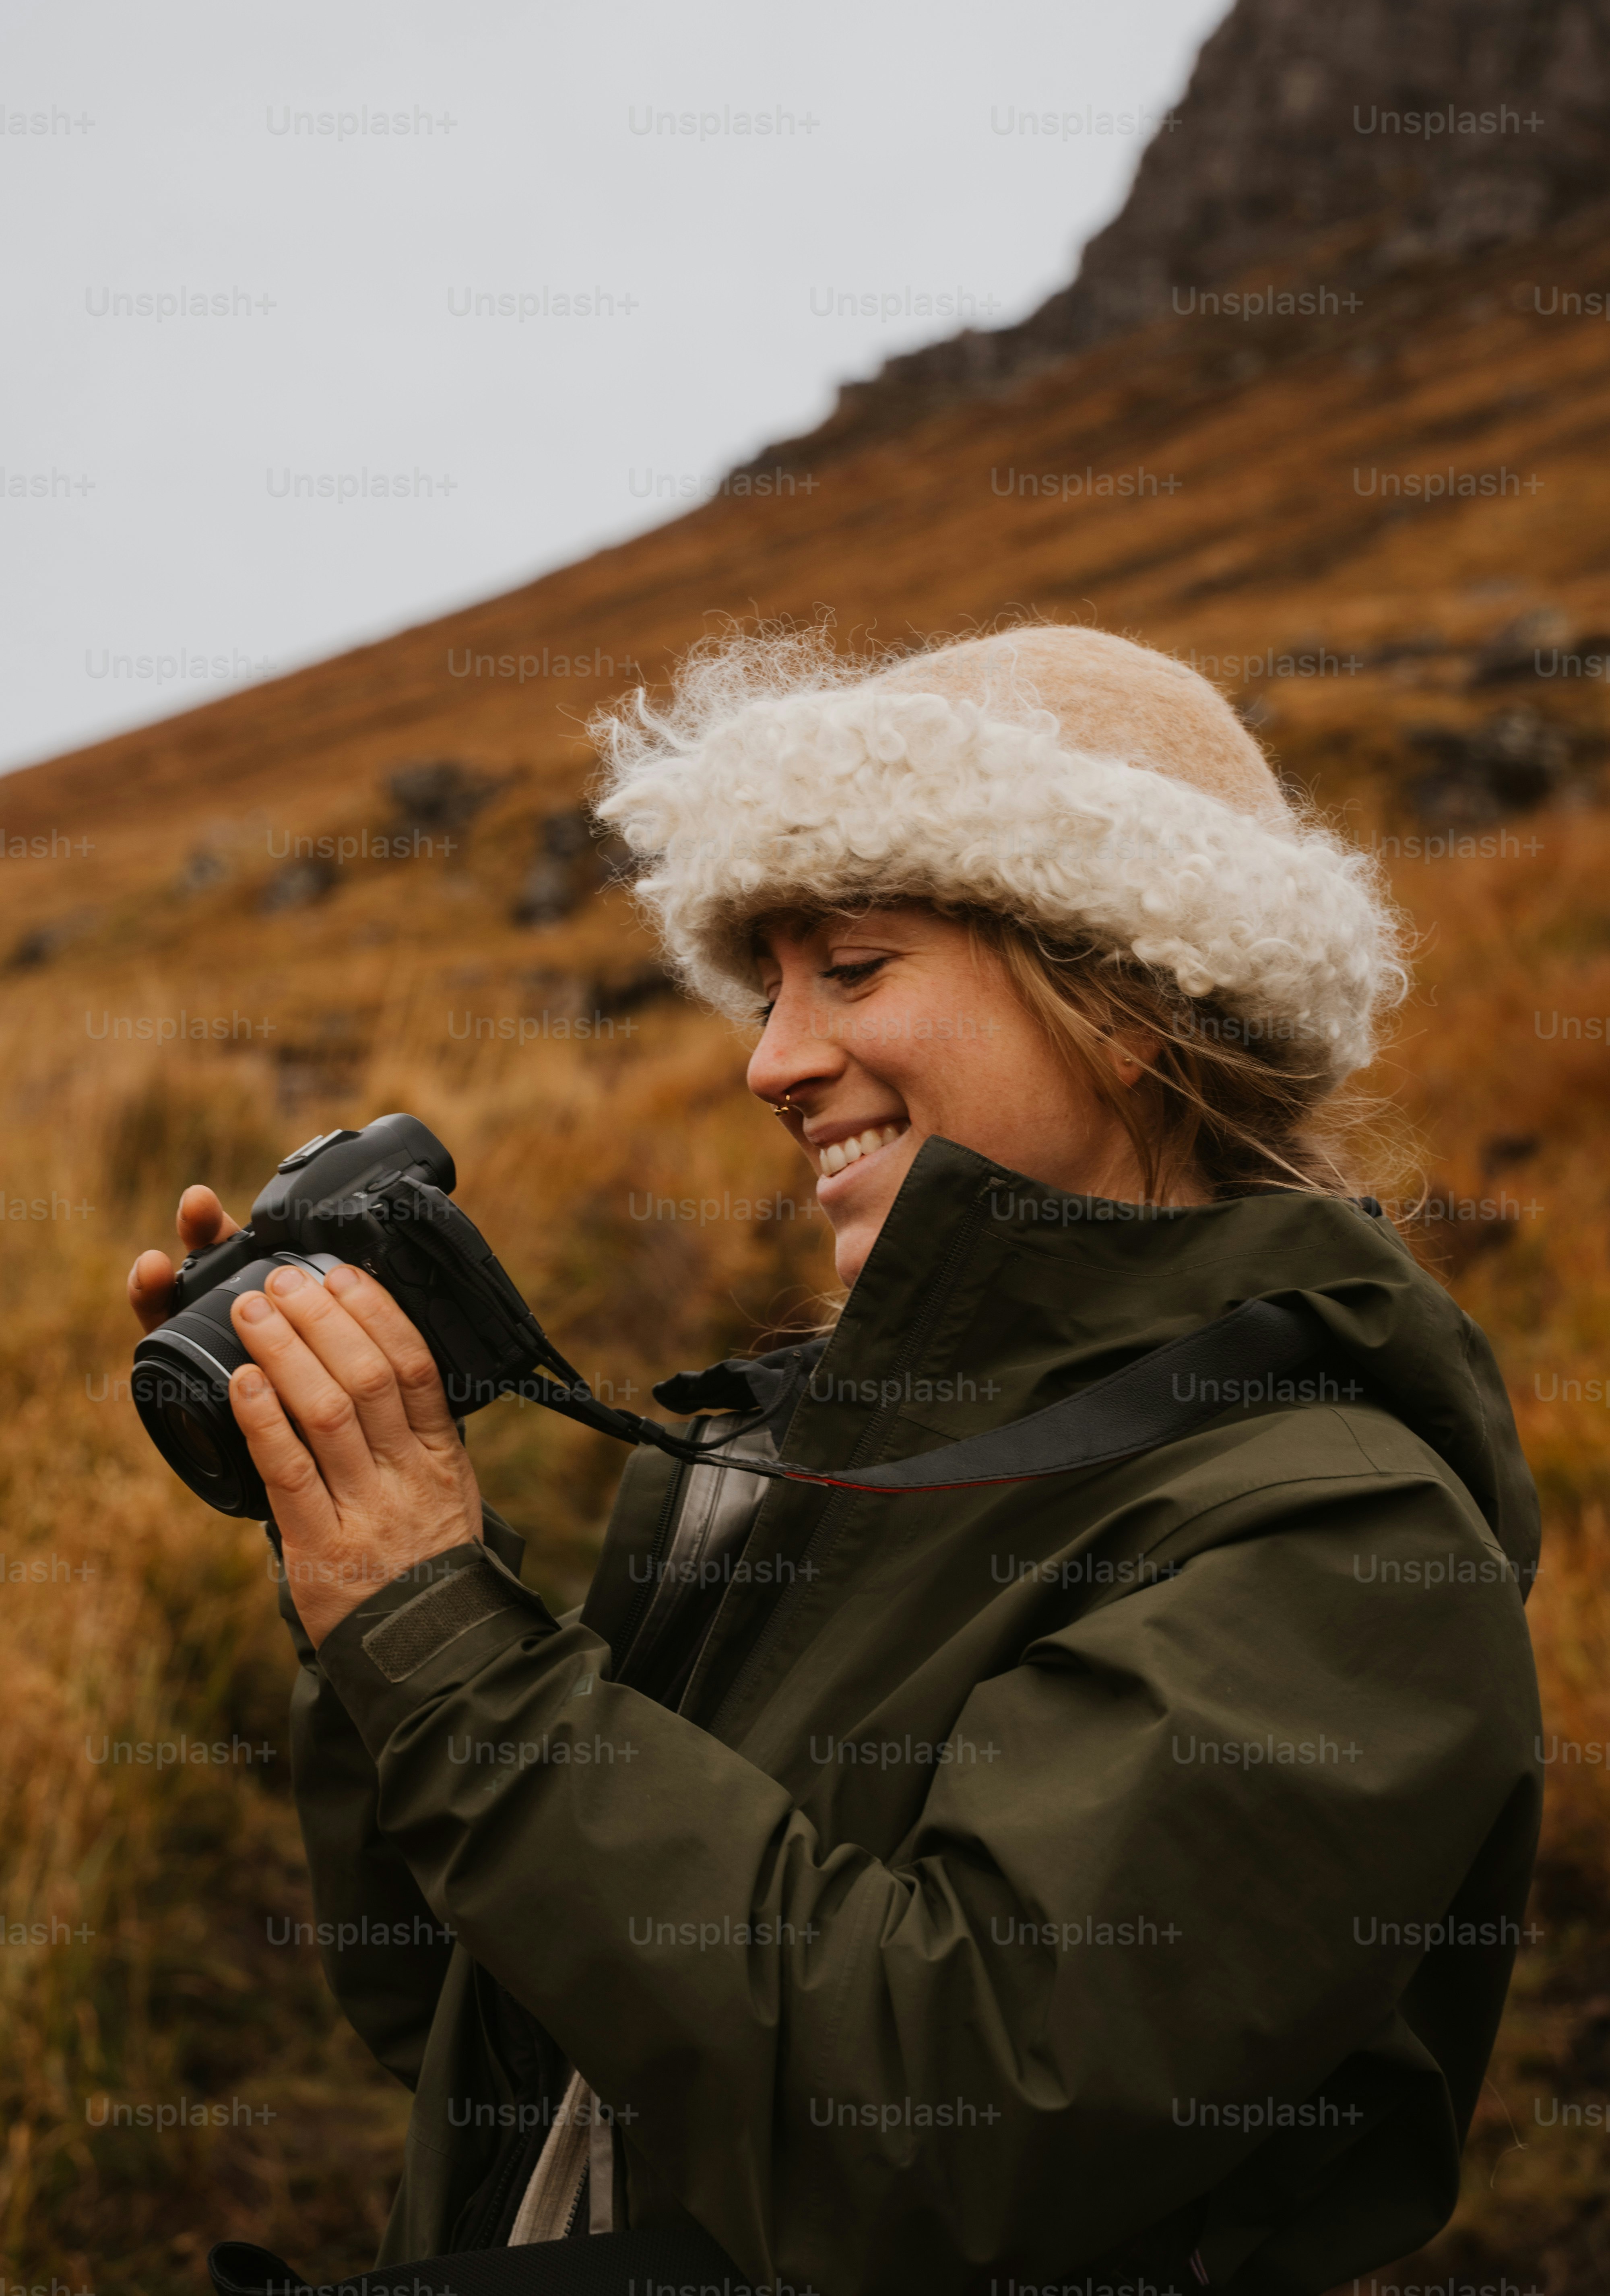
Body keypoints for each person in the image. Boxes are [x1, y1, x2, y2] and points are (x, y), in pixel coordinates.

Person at [128, 624, 1542, 2296]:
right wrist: (357, 1549)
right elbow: (492, 2026)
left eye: (854, 971)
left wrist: (443, 1643)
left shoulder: (1338, 1544)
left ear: (1128, 999)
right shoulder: (779, 1461)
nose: (771, 1061)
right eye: (770, 988)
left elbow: (937, 2135)